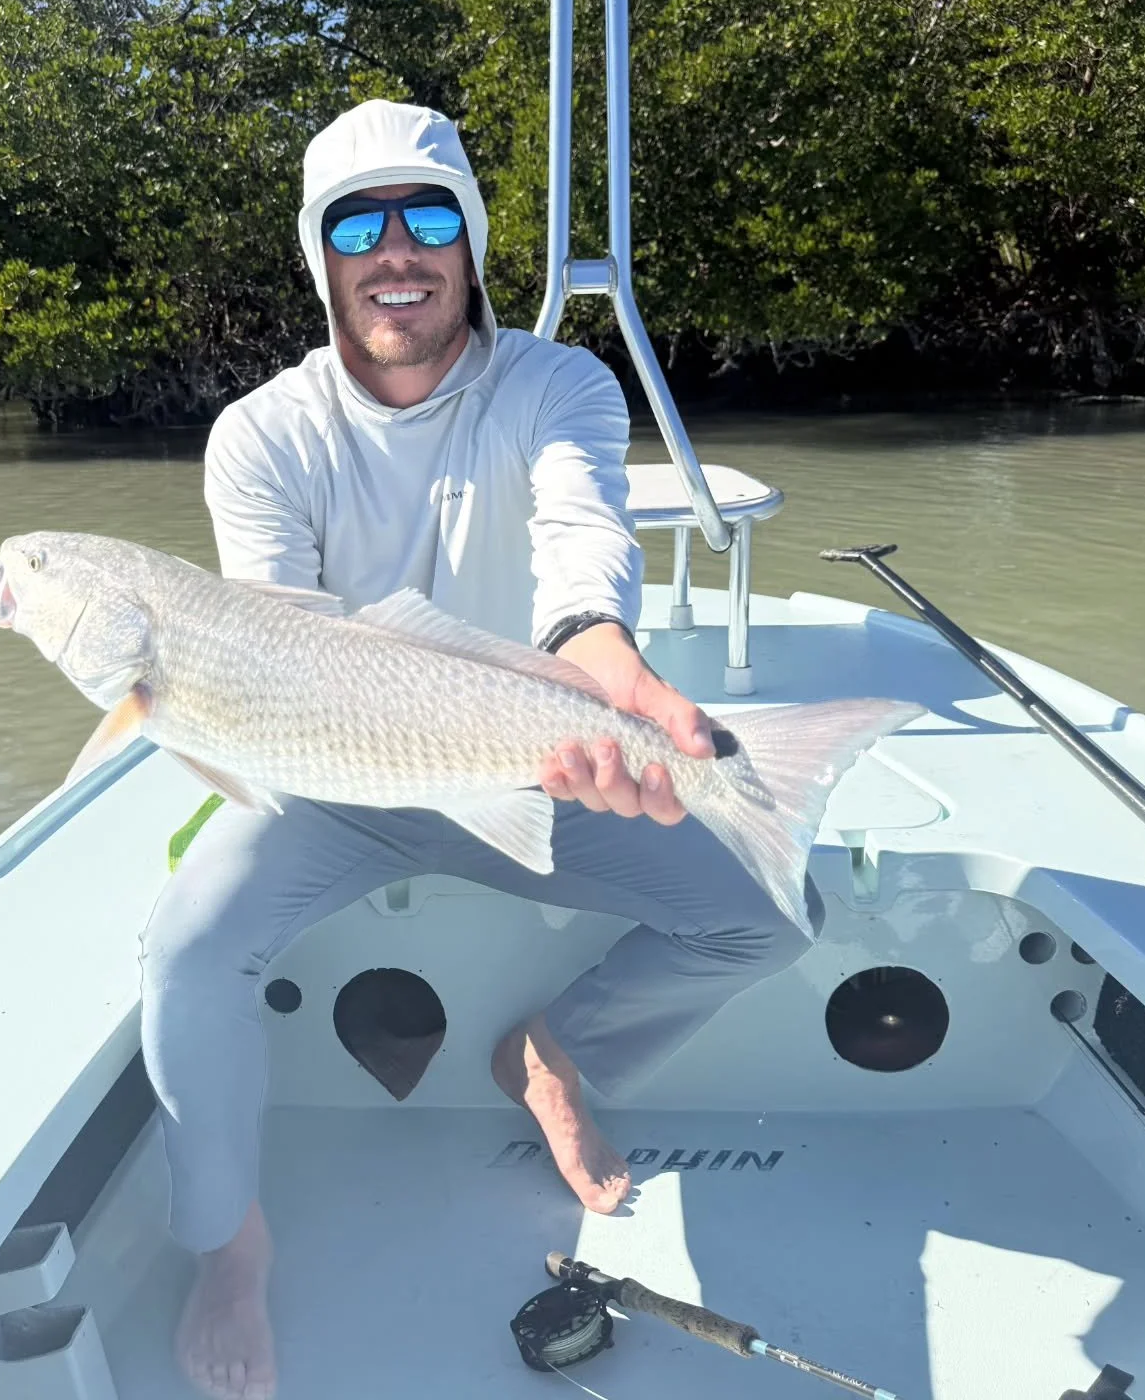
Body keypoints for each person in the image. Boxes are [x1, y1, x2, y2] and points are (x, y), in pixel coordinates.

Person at [138, 98, 817, 1400]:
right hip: (333, 776)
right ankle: (230, 1242)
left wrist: (608, 668)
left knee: (777, 914)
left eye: (431, 215)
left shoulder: (560, 384)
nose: (399, 249)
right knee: (182, 951)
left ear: (474, 243)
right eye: (361, 223)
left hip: (531, 759)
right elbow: (274, 640)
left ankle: (554, 1052)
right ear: (320, 255)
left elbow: (580, 544)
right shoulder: (261, 437)